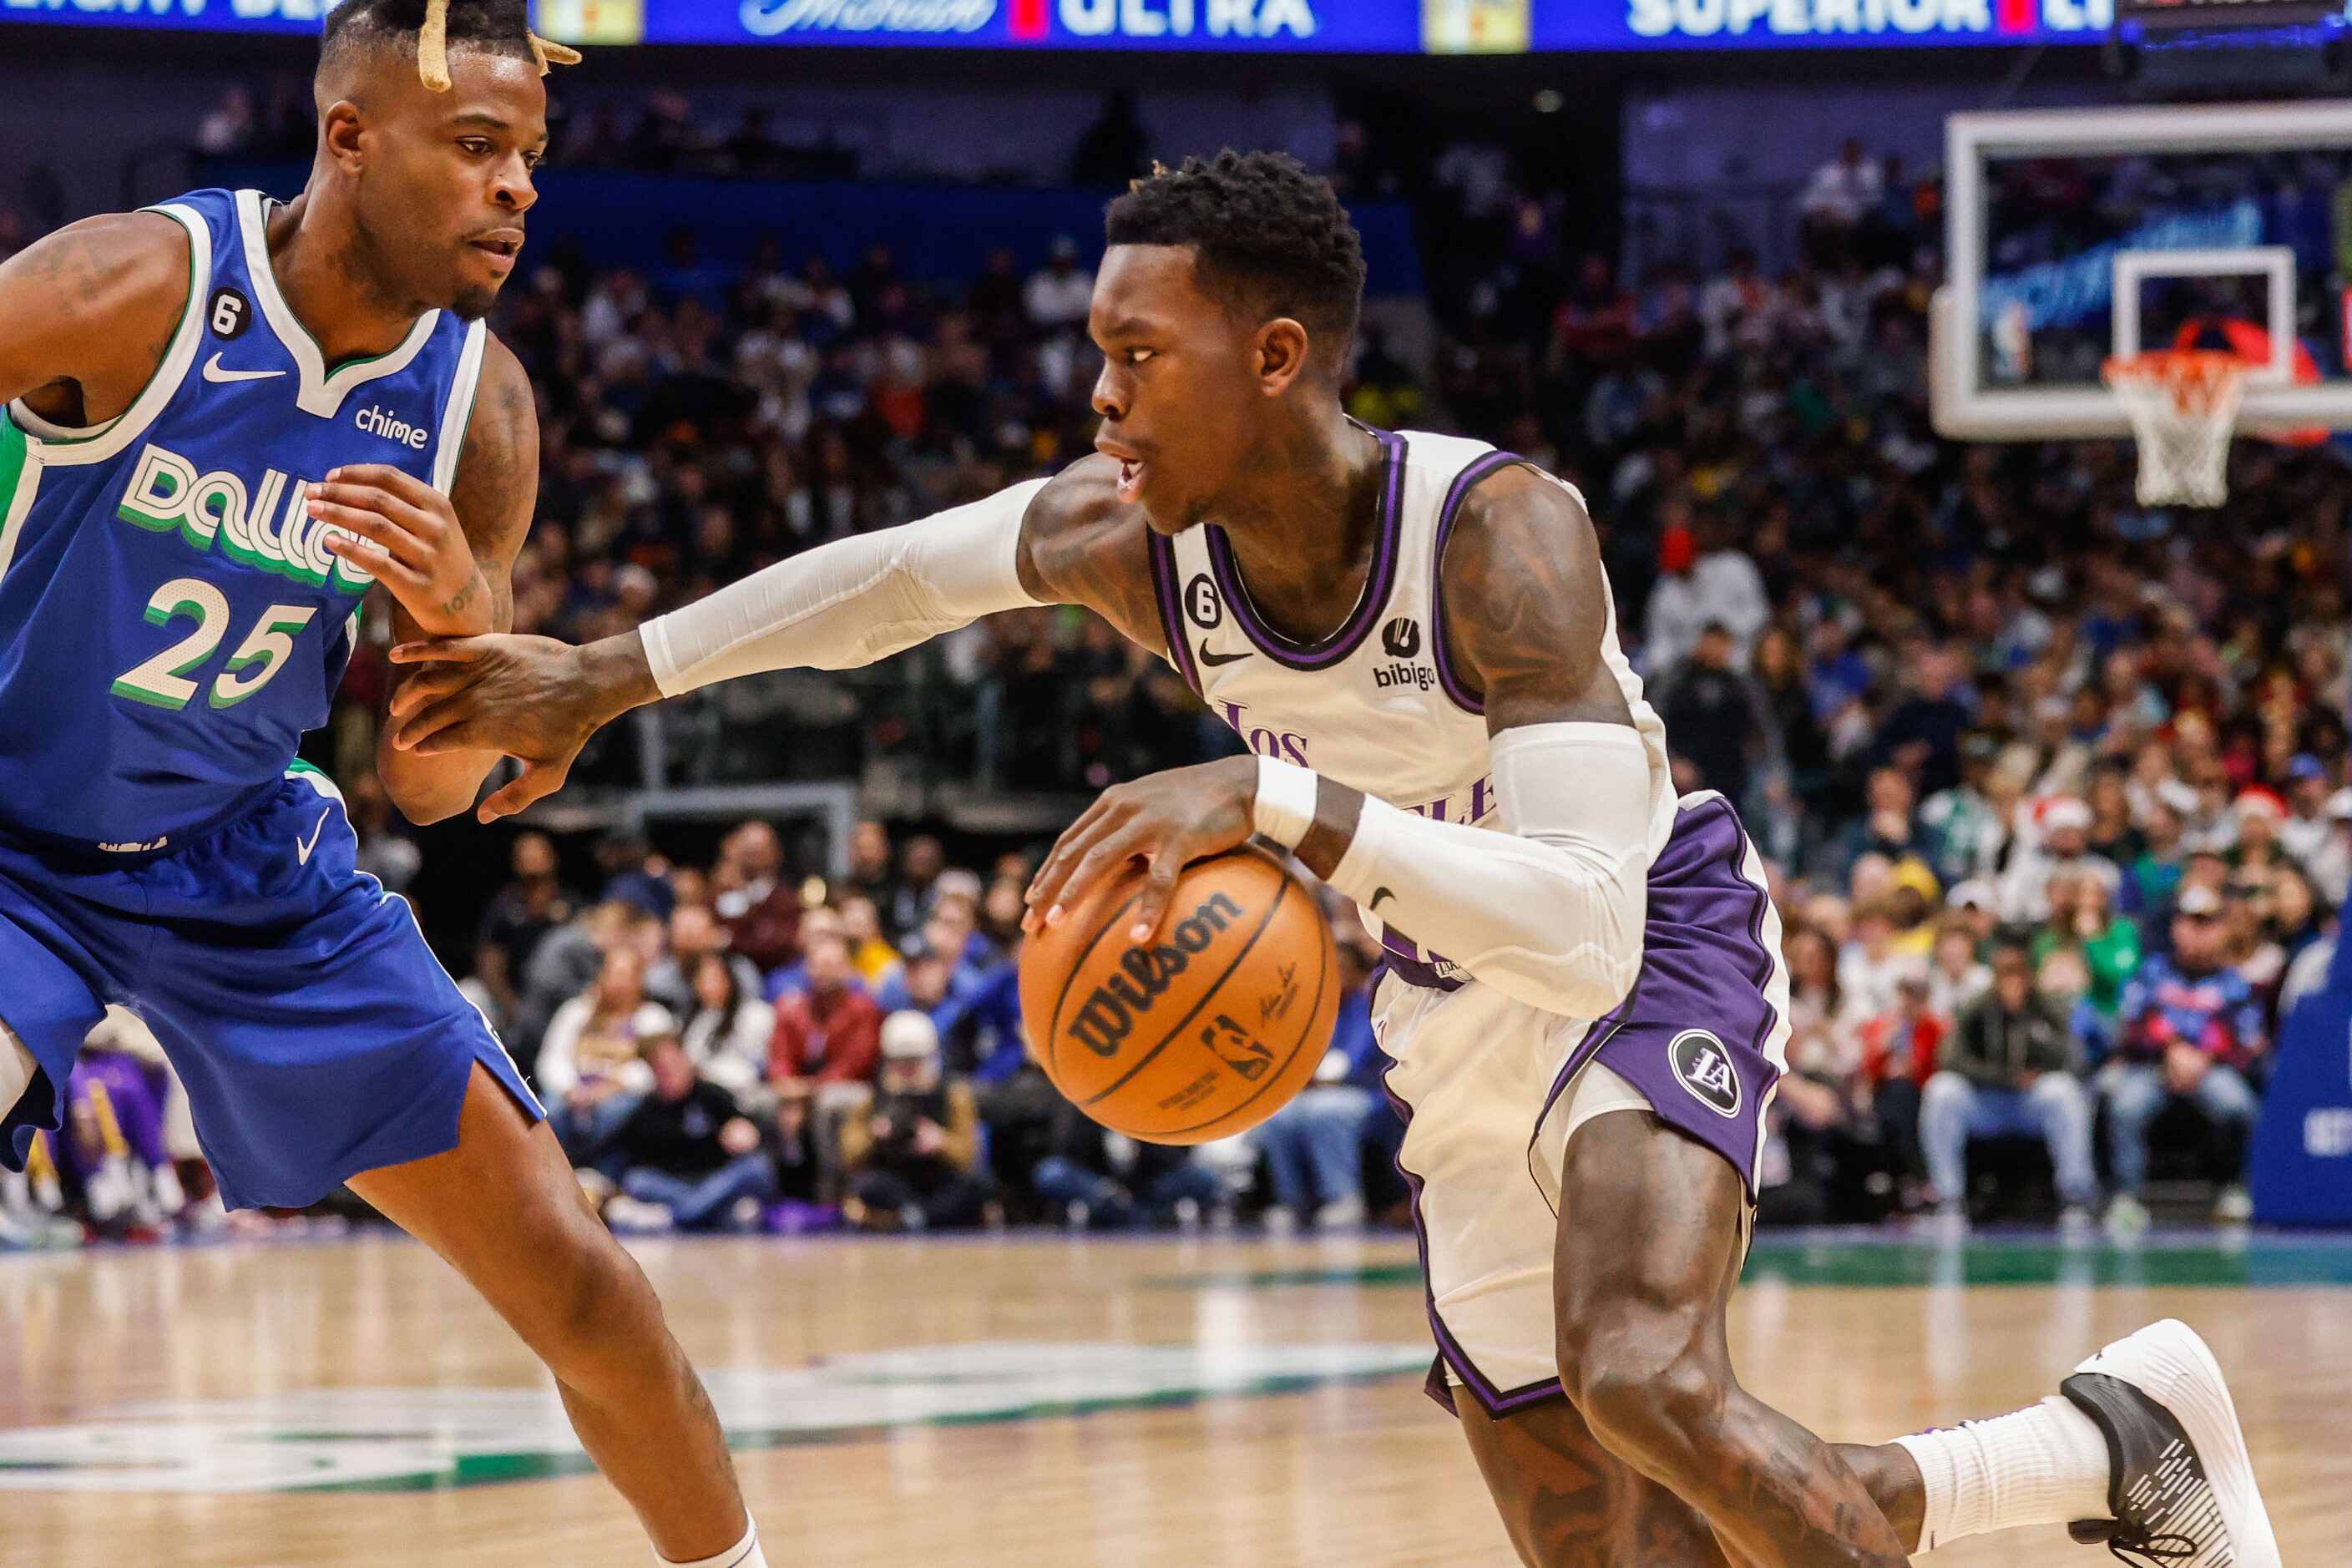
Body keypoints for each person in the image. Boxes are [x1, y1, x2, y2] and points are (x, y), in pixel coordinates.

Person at [388, 150, 2277, 1567]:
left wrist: (1283, 807)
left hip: (1646, 950)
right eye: (1097, 358)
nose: (1102, 400)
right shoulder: (1139, 534)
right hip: (1448, 1020)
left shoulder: (1497, 535)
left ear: (1273, 353)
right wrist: (603, 674)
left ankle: (2113, 1449)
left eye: (1138, 355)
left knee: (1643, 1378)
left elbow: (1581, 915)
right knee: (1612, 1537)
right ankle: (2105, 1445)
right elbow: (887, 582)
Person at [0, 3, 760, 1562]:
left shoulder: (478, 408)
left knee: (582, 1281)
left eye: (530, 157)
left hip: (243, 858)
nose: (518, 191)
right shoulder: (128, 286)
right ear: (348, 138)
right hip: (12, 840)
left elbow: (426, 784)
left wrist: (465, 625)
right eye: (477, 148)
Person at [2107, 884, 2268, 1233]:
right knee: (2125, 1105)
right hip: (2154, 1068)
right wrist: (2171, 1049)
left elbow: (2248, 1040)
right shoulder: (2151, 972)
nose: (2198, 933)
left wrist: (2204, 1056)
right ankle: (2127, 1198)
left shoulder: (2234, 983)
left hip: (2211, 1070)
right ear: (2176, 928)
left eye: (2207, 924)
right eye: (2191, 923)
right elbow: (2131, 1025)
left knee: (2238, 1105)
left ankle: (2234, 1190)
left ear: (2221, 930)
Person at [1919, 940, 2098, 1230]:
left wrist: (2032, 1031)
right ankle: (1949, 1199)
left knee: (2064, 1092)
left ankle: (2075, 1197)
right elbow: (1950, 1058)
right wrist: (2005, 1078)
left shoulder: (2044, 1007)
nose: (2012, 984)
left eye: (2018, 975)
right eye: (2005, 976)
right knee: (1942, 1091)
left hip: (2030, 1104)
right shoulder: (1978, 1008)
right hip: (1986, 1100)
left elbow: (2071, 1057)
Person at [599, 1032, 775, 1234]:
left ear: (685, 1060)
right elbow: (609, 1147)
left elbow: (752, 1127)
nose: (670, 1072)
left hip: (716, 1178)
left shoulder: (712, 1095)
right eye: (661, 1069)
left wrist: (749, 1132)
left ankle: (681, 1216)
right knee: (637, 1180)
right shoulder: (646, 1111)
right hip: (673, 1184)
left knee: (758, 1167)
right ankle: (708, 1214)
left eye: (674, 1064)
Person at [837, 1012, 992, 1232]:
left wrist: (941, 1143)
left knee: (975, 1186)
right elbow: (848, 1155)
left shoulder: (954, 1095)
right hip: (895, 1181)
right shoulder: (873, 1099)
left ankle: (914, 1218)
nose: (907, 1071)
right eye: (900, 1063)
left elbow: (968, 1156)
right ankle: (918, 1216)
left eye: (914, 1062)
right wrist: (874, 1135)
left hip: (940, 1179)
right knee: (871, 1186)